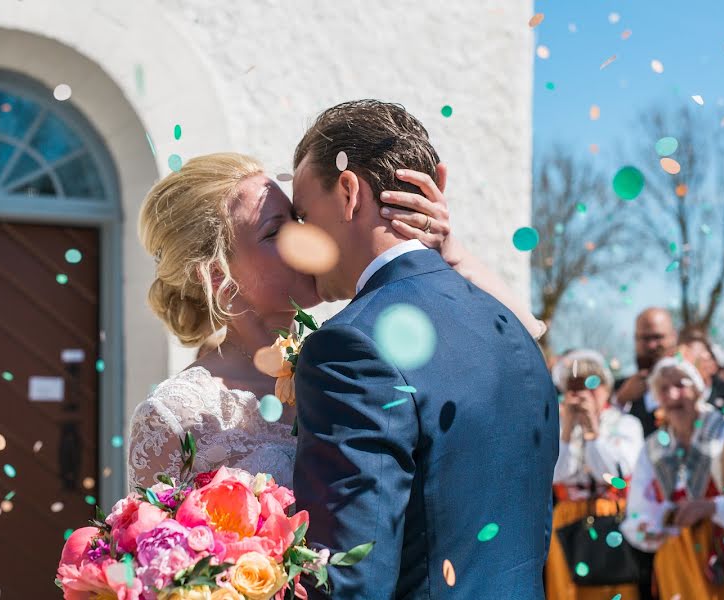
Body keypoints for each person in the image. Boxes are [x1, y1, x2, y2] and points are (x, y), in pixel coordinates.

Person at [127, 147, 546, 492]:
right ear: (220, 276)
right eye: (275, 231)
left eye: (299, 219)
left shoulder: (353, 355)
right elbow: (149, 575)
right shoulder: (173, 415)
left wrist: (451, 253)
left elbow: (522, 341)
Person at [290, 100, 558, 599]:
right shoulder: (514, 331)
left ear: (349, 193)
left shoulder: (350, 346)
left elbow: (350, 577)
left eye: (303, 214)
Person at [621, 357, 724, 600]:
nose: (673, 395)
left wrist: (712, 507)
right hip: (677, 561)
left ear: (698, 390)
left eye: (681, 385)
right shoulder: (654, 447)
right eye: (664, 389)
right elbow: (637, 510)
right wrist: (650, 525)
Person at [546, 350, 644, 600]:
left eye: (592, 385)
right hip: (567, 522)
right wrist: (567, 430)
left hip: (611, 518)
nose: (583, 394)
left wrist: (592, 431)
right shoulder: (554, 426)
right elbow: (555, 475)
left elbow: (616, 474)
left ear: (606, 388)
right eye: (574, 387)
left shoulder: (625, 424)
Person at [615, 308, 678, 436]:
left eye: (658, 337)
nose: (651, 345)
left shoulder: (692, 387)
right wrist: (620, 401)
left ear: (673, 337)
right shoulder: (617, 390)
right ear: (635, 340)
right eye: (644, 338)